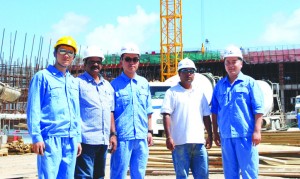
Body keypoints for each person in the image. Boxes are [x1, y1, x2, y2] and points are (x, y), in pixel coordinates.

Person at [26, 36, 82, 178]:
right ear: (55, 53)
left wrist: (78, 138)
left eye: (70, 52)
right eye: (62, 50)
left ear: (74, 56)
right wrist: (36, 137)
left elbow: (76, 112)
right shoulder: (42, 77)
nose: (66, 55)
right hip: (50, 139)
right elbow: (33, 109)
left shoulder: (73, 82)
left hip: (70, 139)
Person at [211, 45, 264, 179]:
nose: (231, 65)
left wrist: (257, 132)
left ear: (241, 63)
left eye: (234, 62)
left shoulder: (249, 83)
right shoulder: (219, 86)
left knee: (249, 173)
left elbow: (258, 110)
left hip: (245, 136)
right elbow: (215, 111)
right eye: (227, 62)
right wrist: (215, 132)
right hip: (226, 136)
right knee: (230, 174)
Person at [160, 58, 213, 179]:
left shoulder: (200, 93)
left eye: (191, 71)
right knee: (182, 176)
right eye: (184, 71)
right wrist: (169, 137)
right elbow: (166, 115)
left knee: (203, 176)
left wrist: (210, 135)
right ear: (179, 73)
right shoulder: (172, 92)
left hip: (199, 143)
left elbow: (206, 116)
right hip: (180, 143)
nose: (188, 74)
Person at [110, 43, 153, 179]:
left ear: (139, 62)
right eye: (128, 59)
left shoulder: (144, 83)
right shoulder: (114, 85)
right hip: (122, 137)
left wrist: (150, 131)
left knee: (139, 174)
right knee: (118, 174)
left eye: (135, 59)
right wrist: (113, 134)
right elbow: (110, 112)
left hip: (141, 137)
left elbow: (148, 110)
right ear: (121, 61)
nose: (131, 63)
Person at [75, 46, 117, 179]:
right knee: (84, 175)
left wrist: (113, 134)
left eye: (98, 61)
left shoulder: (107, 86)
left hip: (103, 140)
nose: (95, 64)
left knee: (99, 176)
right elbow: (73, 111)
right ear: (84, 64)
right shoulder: (77, 84)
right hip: (86, 140)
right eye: (91, 61)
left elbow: (110, 111)